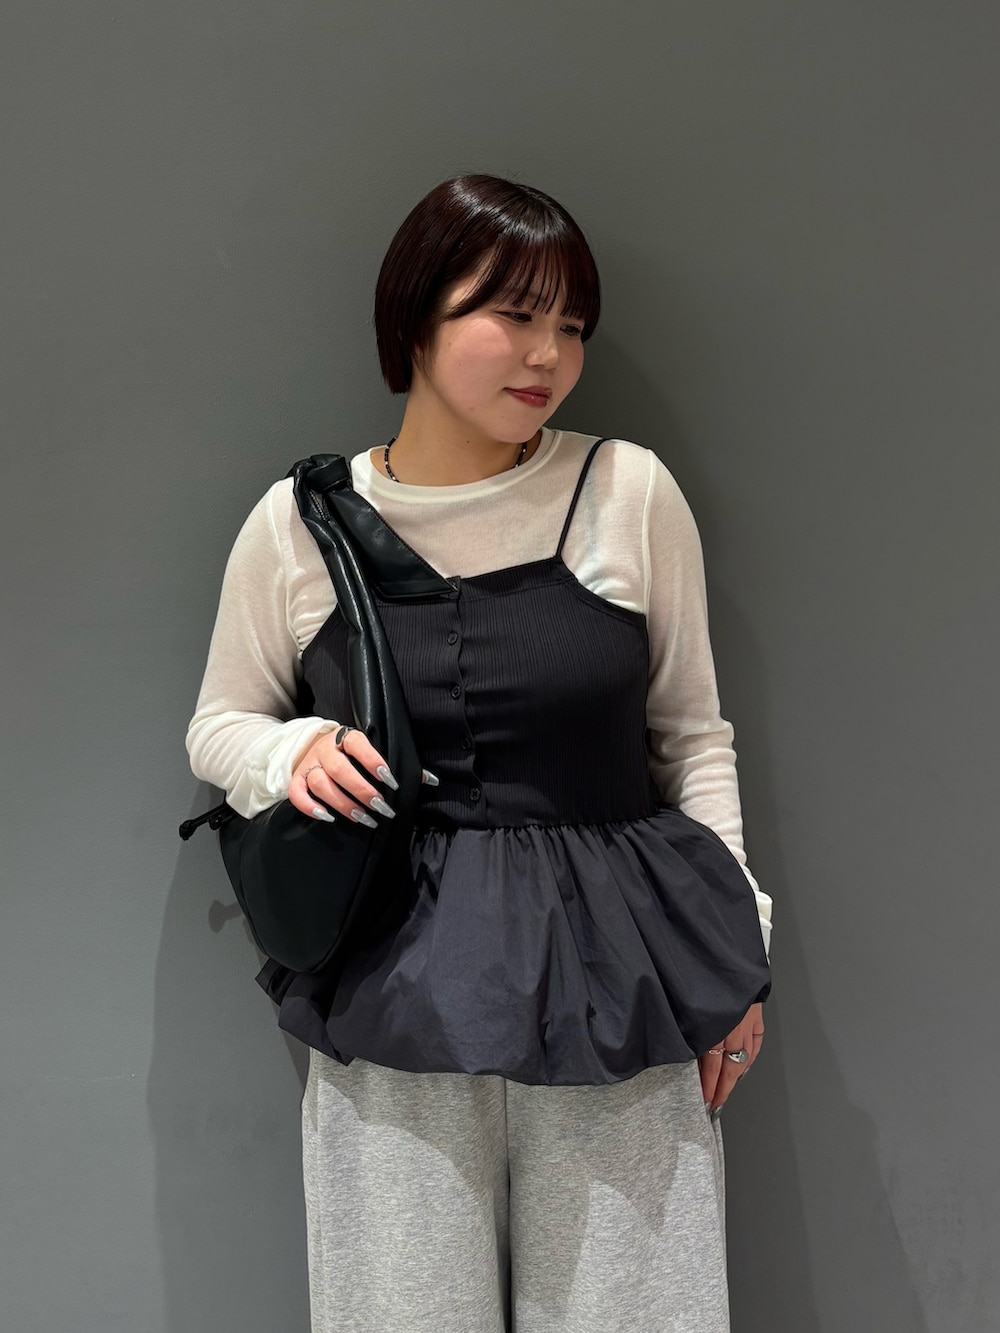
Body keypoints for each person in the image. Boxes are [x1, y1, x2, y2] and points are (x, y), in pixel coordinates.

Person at [187, 173, 772, 1333]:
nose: (548, 353)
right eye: (513, 313)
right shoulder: (299, 523)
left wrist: (735, 951)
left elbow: (690, 737)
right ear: (415, 316)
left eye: (572, 324)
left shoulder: (626, 491)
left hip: (620, 983)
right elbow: (219, 723)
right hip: (395, 988)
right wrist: (294, 748)